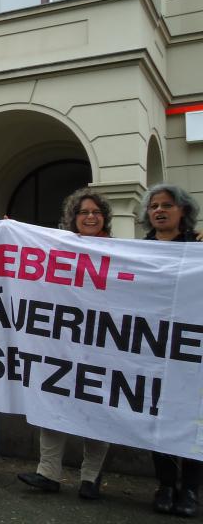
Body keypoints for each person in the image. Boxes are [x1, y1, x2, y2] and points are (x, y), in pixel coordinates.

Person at [17, 188, 112, 499]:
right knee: (53, 401)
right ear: (74, 218)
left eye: (95, 212)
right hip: (62, 342)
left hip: (103, 343)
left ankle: (91, 477)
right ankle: (48, 472)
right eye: (84, 212)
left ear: (104, 218)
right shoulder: (60, 249)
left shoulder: (121, 251)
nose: (90, 217)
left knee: (96, 410)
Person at [139, 183, 201, 517]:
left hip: (190, 352)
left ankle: (190, 489)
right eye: (153, 206)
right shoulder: (138, 250)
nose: (159, 210)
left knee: (192, 419)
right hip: (152, 348)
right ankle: (165, 484)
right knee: (158, 418)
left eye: (166, 205)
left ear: (183, 210)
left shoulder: (197, 247)